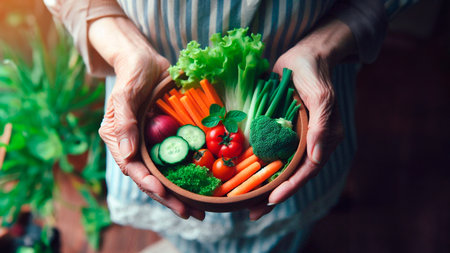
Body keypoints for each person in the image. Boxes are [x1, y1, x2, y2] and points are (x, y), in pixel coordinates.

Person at [45, 0, 418, 252]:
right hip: (149, 98)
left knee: (285, 236)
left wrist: (322, 47)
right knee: (179, 232)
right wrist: (127, 53)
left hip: (299, 102)